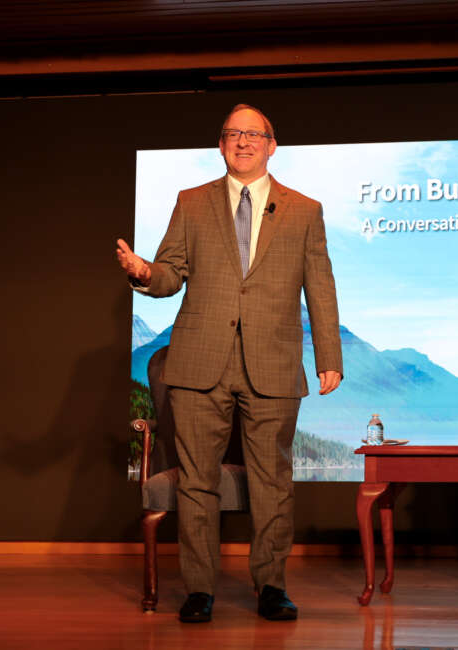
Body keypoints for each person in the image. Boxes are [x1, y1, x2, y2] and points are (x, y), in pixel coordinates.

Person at [116, 104, 343, 623]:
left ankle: (271, 587)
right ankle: (200, 591)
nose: (243, 141)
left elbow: (320, 286)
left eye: (253, 134)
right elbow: (171, 272)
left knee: (273, 482)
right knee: (197, 482)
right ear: (221, 145)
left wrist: (328, 354)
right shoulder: (191, 203)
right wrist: (144, 272)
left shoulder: (305, 209)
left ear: (271, 144)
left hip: (275, 361)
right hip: (199, 360)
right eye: (232, 134)